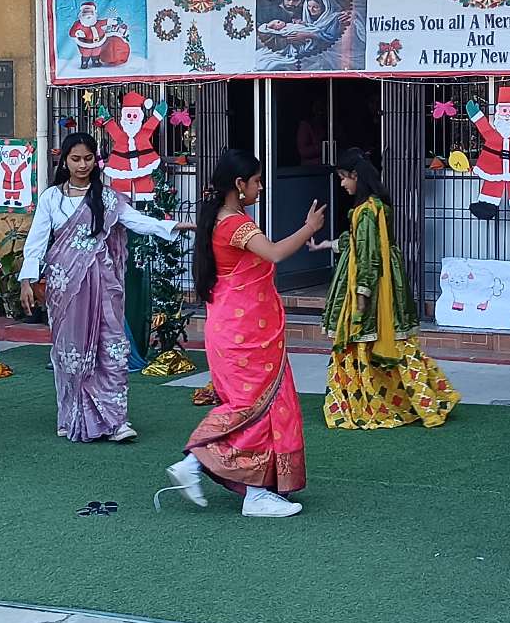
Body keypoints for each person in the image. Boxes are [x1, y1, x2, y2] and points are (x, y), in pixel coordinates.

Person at [160, 149, 324, 518]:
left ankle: (249, 486)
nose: (261, 187)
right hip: (245, 334)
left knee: (257, 407)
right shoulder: (236, 225)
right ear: (238, 184)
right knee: (250, 408)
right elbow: (275, 253)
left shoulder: (223, 219)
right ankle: (208, 469)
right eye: (256, 181)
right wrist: (309, 228)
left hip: (238, 329)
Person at [18, 131, 193, 444]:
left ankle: (115, 421)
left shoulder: (108, 198)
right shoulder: (52, 198)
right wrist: (27, 280)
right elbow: (37, 241)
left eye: (88, 158)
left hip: (104, 283)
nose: (82, 165)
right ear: (64, 161)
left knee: (111, 348)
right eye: (75, 159)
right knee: (70, 353)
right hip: (66, 287)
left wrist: (172, 225)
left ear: (95, 160)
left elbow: (136, 220)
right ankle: (72, 415)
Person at [308, 148, 458, 430]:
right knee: (400, 346)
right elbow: (361, 243)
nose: (342, 184)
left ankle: (366, 404)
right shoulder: (377, 206)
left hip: (372, 285)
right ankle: (427, 401)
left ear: (355, 176)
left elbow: (367, 254)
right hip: (389, 283)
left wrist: (361, 295)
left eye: (343, 178)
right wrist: (327, 244)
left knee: (362, 341)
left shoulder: (365, 211)